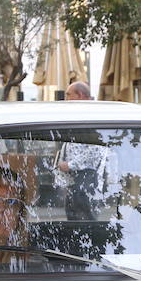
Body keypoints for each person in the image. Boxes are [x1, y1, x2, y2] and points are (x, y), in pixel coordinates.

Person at [58, 81, 106, 220]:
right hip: (76, 178)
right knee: (72, 215)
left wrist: (70, 165)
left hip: (87, 177)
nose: (66, 100)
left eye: (69, 95)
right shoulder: (77, 116)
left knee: (84, 218)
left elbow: (95, 149)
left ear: (79, 95)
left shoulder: (93, 116)